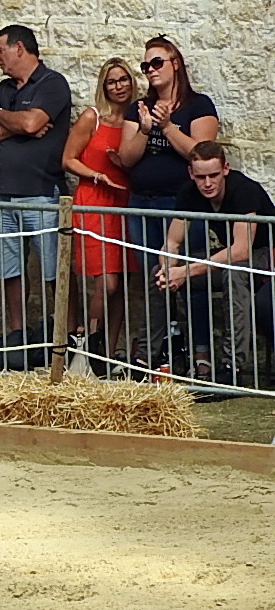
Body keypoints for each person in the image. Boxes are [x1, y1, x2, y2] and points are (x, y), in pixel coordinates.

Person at [117, 36, 220, 360]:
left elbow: (200, 155)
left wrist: (168, 126)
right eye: (145, 65)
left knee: (191, 278)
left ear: (175, 62)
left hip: (183, 206)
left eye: (156, 62)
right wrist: (146, 129)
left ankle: (200, 355)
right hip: (143, 204)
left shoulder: (198, 105)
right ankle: (152, 355)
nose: (150, 70)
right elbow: (126, 157)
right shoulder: (139, 108)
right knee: (153, 281)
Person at [0, 24, 73, 344]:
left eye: (0, 50)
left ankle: (67, 335)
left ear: (20, 48)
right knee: (9, 270)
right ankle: (18, 335)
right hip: (2, 193)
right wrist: (18, 122)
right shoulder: (3, 91)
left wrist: (4, 117)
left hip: (42, 193)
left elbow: (33, 122)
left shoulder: (53, 83)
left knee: (54, 270)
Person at [156, 141, 272, 379]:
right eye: (200, 177)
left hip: (267, 254)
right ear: (191, 173)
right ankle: (148, 359)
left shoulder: (243, 190)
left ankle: (232, 368)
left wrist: (185, 272)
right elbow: (172, 243)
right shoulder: (189, 192)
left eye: (213, 175)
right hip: (236, 254)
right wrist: (168, 269)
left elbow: (241, 251)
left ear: (226, 169)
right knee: (157, 274)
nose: (207, 183)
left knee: (234, 274)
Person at [62, 59, 142, 365]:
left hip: (125, 202)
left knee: (122, 282)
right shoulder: (92, 118)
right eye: (112, 81)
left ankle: (108, 356)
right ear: (103, 86)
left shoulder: (136, 121)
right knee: (105, 282)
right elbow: (68, 159)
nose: (119, 86)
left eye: (123, 80)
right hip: (94, 200)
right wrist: (96, 175)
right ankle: (87, 341)